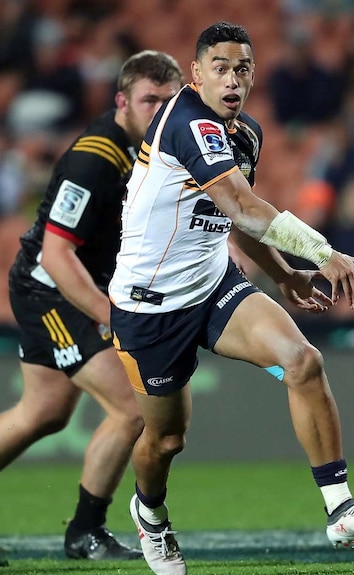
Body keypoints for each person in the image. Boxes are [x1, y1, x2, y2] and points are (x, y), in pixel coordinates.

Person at [107, 22, 354, 575]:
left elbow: (233, 218)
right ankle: (149, 513)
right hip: (150, 306)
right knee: (166, 440)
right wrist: (321, 253)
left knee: (303, 361)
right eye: (219, 66)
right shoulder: (187, 121)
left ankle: (340, 508)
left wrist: (285, 274)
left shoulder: (244, 134)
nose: (232, 78)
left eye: (242, 68)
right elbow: (243, 206)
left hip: (214, 284)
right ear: (195, 75)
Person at [3, 50, 183, 561]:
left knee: (42, 413)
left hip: (75, 286)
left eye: (170, 102)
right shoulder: (94, 158)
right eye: (150, 100)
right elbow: (58, 255)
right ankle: (85, 532)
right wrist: (117, 318)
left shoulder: (156, 151)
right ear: (122, 101)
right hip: (52, 291)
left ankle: (86, 531)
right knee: (132, 407)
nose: (160, 111)